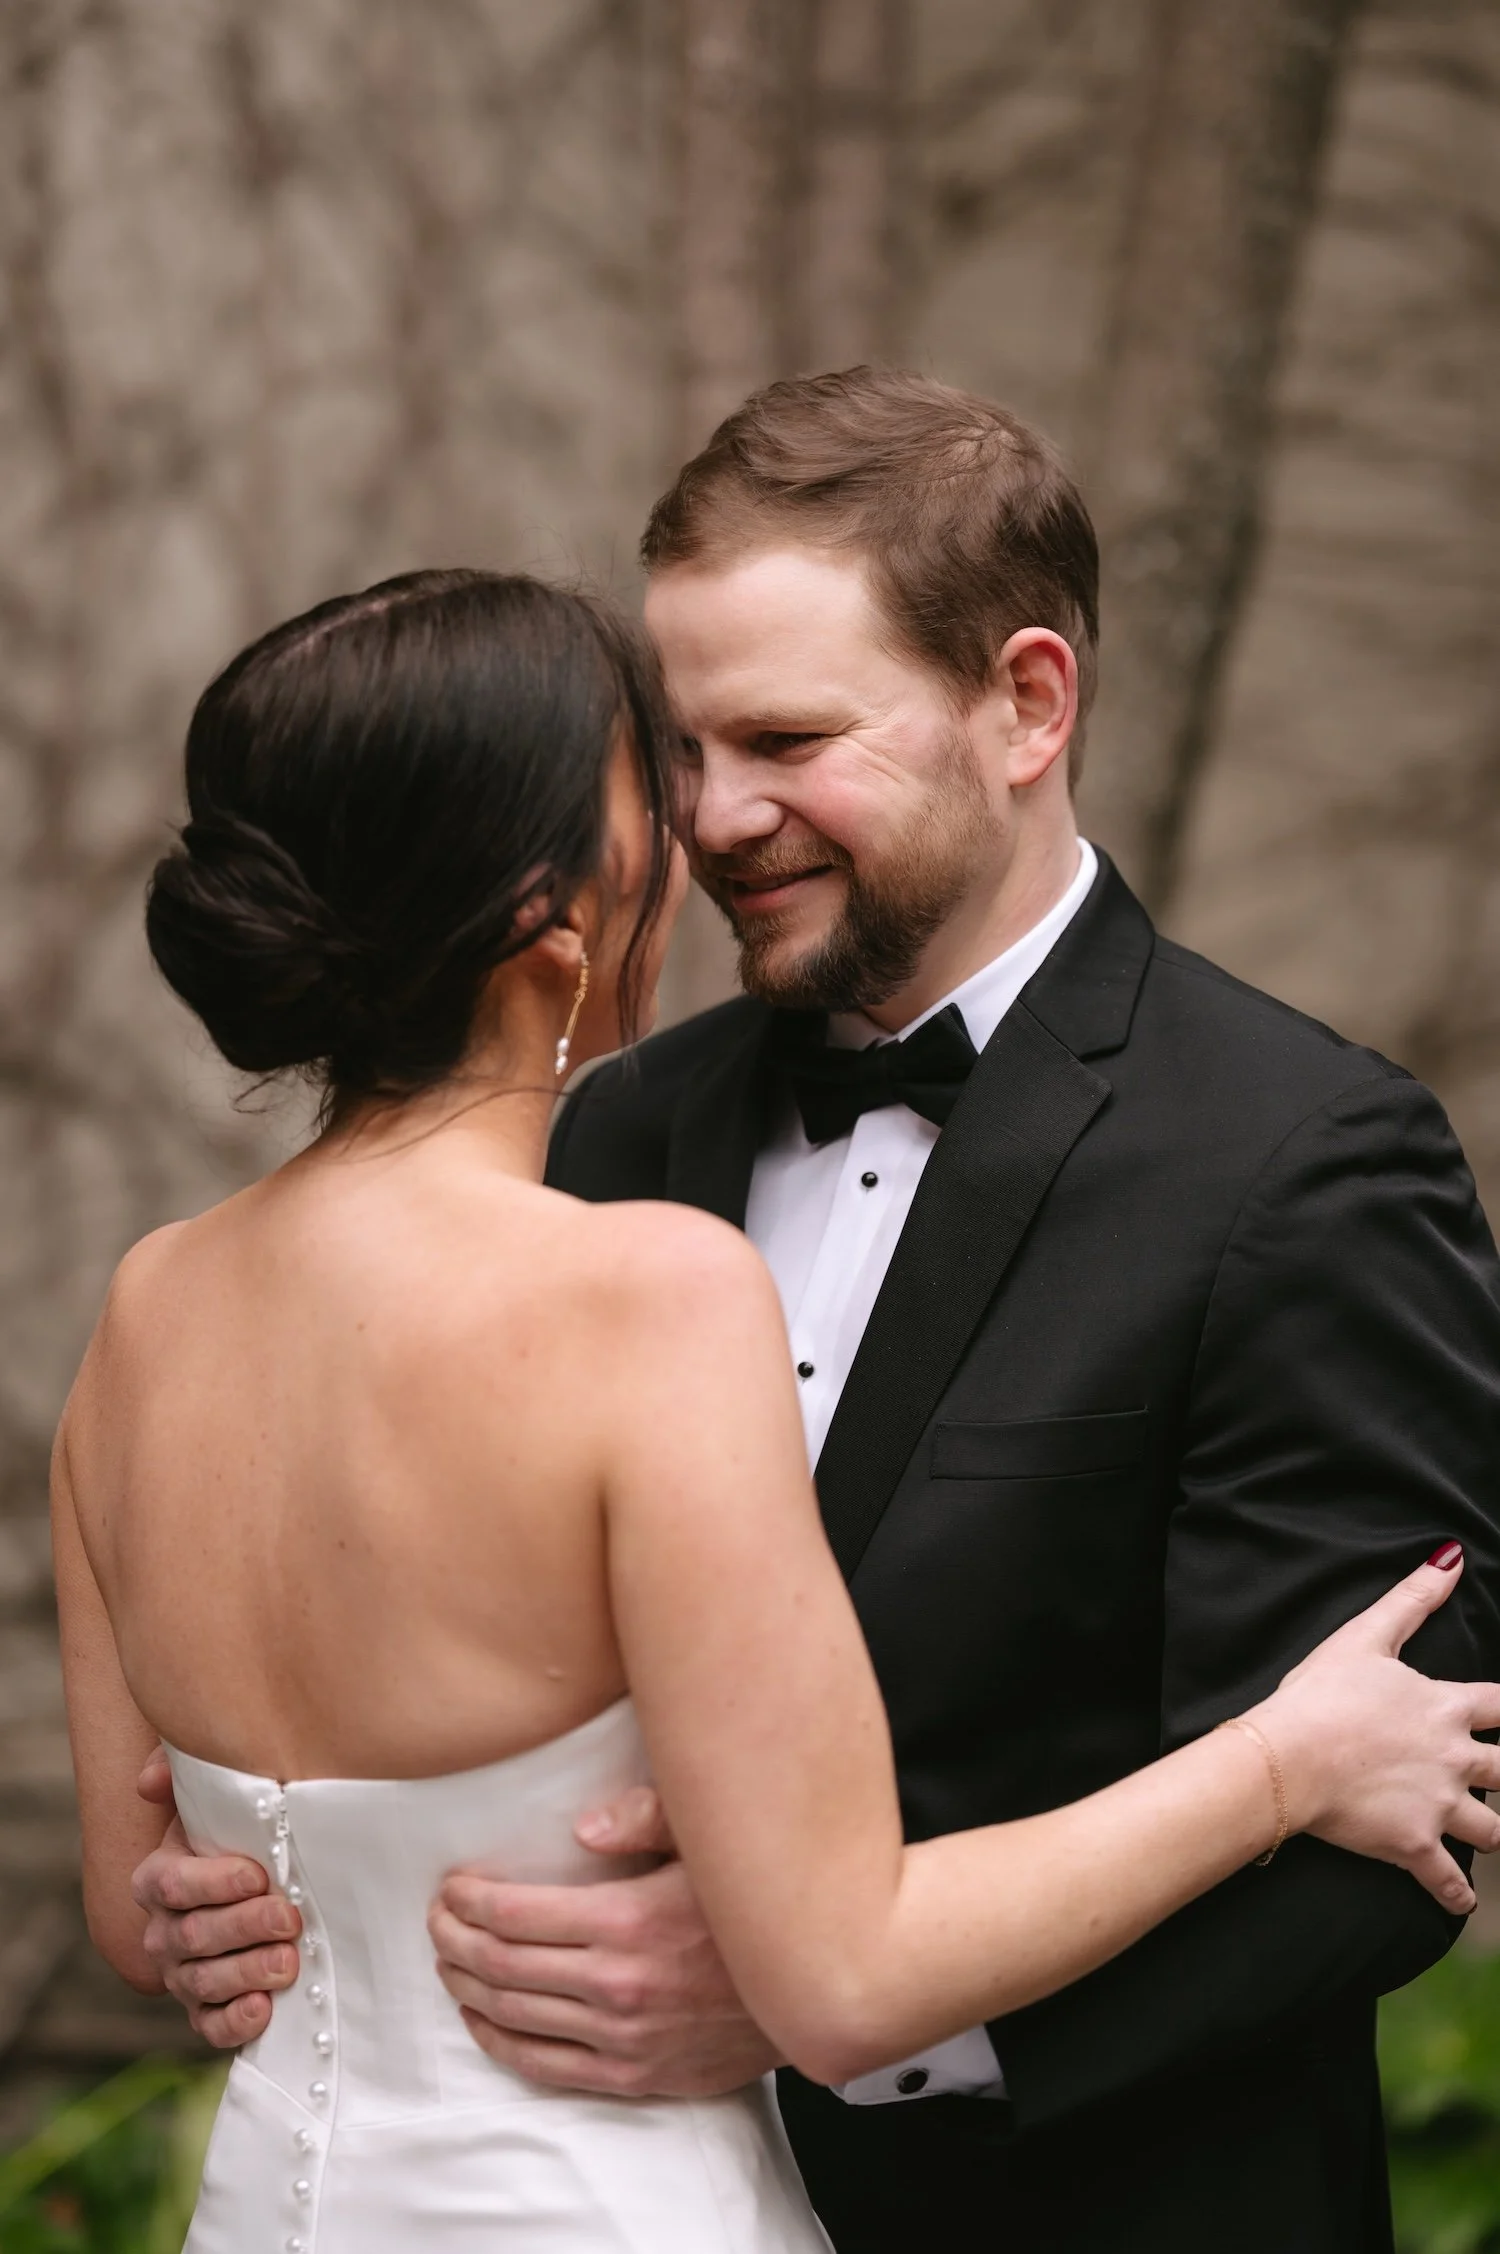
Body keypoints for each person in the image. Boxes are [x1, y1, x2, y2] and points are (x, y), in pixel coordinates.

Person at [127, 377, 1500, 2254]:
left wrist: (841, 2028)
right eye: (679, 752)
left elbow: (1397, 1825)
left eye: (784, 738)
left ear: (1027, 701)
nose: (712, 817)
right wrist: (238, 1884)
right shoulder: (604, 1123)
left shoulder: (1306, 1159)